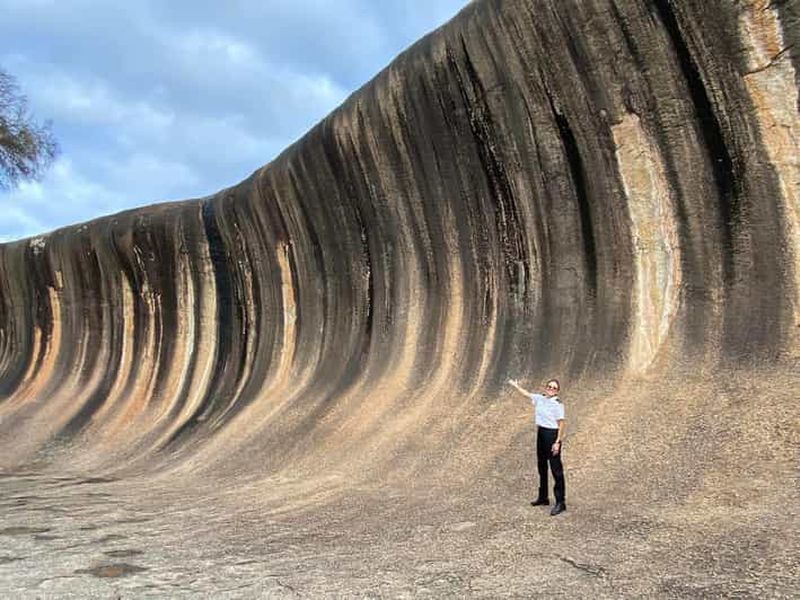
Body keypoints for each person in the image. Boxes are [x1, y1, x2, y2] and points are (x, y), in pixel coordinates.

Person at [508, 378, 567, 515]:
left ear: (557, 391)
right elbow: (527, 394)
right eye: (549, 386)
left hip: (552, 434)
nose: (551, 389)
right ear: (546, 387)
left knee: (556, 469)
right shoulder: (540, 398)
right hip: (541, 433)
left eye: (554, 388)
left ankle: (560, 502)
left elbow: (562, 423)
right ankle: (543, 497)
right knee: (542, 466)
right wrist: (516, 386)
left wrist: (557, 442)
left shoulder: (558, 404)